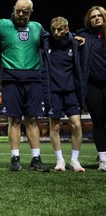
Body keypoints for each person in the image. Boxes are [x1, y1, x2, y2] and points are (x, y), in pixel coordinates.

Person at [0, 0, 51, 172]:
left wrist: (72, 37)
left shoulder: (37, 27)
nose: (21, 14)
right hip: (10, 79)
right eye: (18, 10)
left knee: (32, 120)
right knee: (13, 120)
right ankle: (15, 158)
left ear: (31, 12)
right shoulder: (2, 24)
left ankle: (35, 159)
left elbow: (56, 39)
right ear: (13, 8)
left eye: (25, 11)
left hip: (34, 80)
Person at [41, 16, 85, 172]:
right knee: (55, 127)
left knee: (77, 124)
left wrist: (74, 36)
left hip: (71, 91)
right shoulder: (45, 42)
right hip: (53, 92)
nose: (56, 32)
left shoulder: (74, 43)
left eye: (60, 29)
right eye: (53, 29)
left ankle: (74, 160)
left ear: (67, 29)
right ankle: (60, 160)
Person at [77, 6, 106, 172]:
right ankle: (103, 159)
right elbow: (65, 37)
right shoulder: (84, 35)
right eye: (93, 16)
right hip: (92, 84)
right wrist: (75, 38)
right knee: (98, 122)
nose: (96, 18)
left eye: (99, 15)